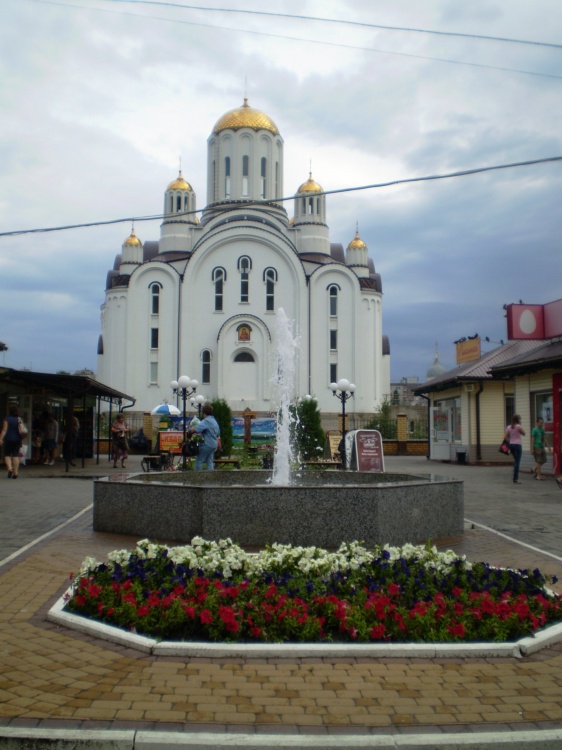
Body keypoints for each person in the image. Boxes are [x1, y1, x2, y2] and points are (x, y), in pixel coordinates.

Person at [191, 404, 220, 471]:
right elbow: (218, 433)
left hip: (206, 444)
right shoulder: (214, 421)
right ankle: (210, 478)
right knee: (209, 462)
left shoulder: (206, 421)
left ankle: (197, 477)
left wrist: (190, 429)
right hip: (213, 444)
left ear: (204, 413)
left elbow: (197, 429)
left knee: (199, 460)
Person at [0, 405, 25, 478]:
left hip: (8, 439)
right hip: (17, 439)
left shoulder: (6, 419)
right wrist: (22, 439)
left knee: (6, 454)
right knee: (15, 455)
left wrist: (0, 438)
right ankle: (15, 472)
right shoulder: (19, 419)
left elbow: (4, 430)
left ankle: (10, 469)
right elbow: (22, 430)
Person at [504, 414, 526, 484]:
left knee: (515, 460)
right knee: (517, 461)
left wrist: (509, 441)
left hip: (511, 445)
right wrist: (520, 427)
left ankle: (515, 476)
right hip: (518, 445)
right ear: (518, 420)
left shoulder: (509, 427)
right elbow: (524, 433)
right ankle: (515, 479)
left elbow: (505, 437)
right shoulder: (518, 426)